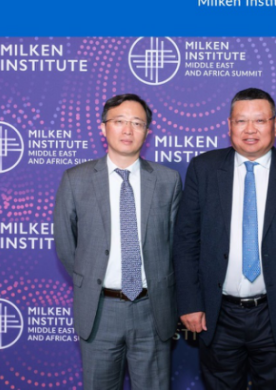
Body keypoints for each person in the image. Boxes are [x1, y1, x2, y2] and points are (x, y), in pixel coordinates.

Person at [173, 88, 276, 390]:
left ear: (275, 125)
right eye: (241, 121)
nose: (250, 130)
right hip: (218, 314)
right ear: (229, 125)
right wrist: (189, 302)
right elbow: (186, 242)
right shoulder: (203, 169)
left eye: (260, 120)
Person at [54, 94, 182, 390]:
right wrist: (92, 279)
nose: (128, 130)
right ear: (103, 127)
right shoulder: (75, 179)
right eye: (119, 121)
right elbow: (66, 246)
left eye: (137, 123)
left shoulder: (168, 180)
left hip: (152, 310)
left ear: (147, 132)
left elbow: (176, 245)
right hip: (100, 310)